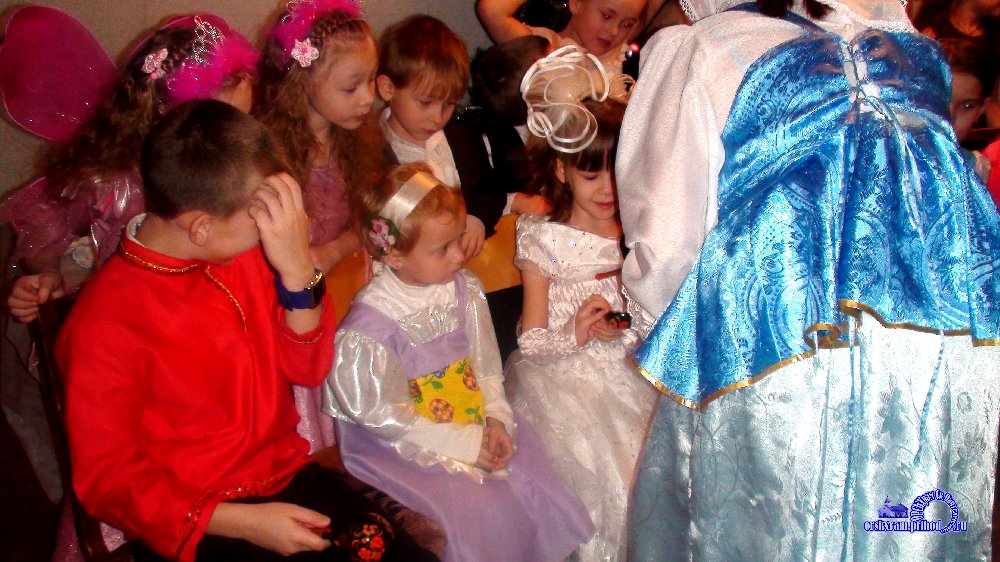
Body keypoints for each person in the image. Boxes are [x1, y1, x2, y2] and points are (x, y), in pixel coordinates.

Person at [617, 0, 1000, 560]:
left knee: (776, 520)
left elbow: (667, 242)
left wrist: (673, 342)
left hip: (780, 333)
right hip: (933, 339)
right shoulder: (917, 56)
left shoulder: (710, 47)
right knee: (907, 516)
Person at [57, 100, 435, 562]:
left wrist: (299, 274)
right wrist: (245, 523)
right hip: (200, 518)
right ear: (201, 227)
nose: (277, 227)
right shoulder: (104, 321)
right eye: (261, 213)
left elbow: (309, 369)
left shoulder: (241, 255)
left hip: (286, 479)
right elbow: (107, 479)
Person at [322, 162, 595, 562]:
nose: (459, 256)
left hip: (470, 415)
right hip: (404, 441)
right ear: (394, 254)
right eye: (442, 249)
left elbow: (485, 366)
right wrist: (466, 444)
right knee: (482, 509)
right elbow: (385, 418)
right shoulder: (369, 330)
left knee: (536, 476)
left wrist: (496, 417)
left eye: (458, 240)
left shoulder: (464, 289)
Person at [503, 47, 657, 561]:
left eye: (617, 172)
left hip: (636, 365)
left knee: (666, 461)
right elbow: (531, 340)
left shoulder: (640, 230)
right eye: (591, 175)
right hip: (565, 377)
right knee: (608, 472)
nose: (608, 190)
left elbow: (657, 311)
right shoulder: (542, 238)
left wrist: (631, 325)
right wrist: (578, 331)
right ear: (563, 170)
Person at [4, 14, 258, 324]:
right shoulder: (113, 178)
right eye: (223, 128)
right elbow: (46, 218)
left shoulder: (243, 164)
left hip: (215, 312)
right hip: (132, 319)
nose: (239, 139)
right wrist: (48, 272)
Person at [257, 0, 385, 275]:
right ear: (302, 83)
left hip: (347, 273)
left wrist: (334, 251)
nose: (368, 98)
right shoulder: (268, 154)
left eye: (371, 80)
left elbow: (377, 217)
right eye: (350, 88)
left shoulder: (362, 141)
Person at [376, 14, 504, 259]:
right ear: (388, 88)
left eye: (448, 103)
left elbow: (490, 190)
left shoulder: (462, 137)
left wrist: (478, 217)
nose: (437, 117)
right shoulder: (373, 152)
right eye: (425, 102)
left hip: (465, 264)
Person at [475, 0, 647, 74]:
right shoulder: (542, 48)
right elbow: (491, 11)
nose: (615, 31)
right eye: (607, 16)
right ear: (576, 3)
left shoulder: (615, 59)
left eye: (627, 24)